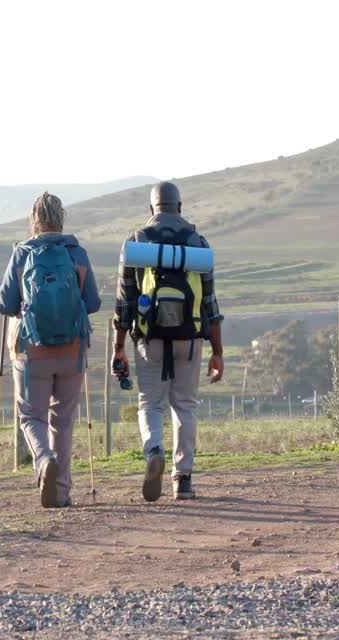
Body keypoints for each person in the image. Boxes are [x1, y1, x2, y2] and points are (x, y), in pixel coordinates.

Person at [112, 181, 224, 501]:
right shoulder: (197, 243)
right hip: (189, 338)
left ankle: (154, 452)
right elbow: (210, 305)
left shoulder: (137, 243)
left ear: (151, 210)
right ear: (180, 206)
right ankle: (183, 479)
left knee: (150, 402)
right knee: (185, 405)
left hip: (149, 337)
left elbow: (124, 303)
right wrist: (217, 352)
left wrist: (119, 347)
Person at [0, 192, 101, 508]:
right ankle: (61, 492)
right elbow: (94, 302)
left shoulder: (21, 253)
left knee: (31, 416)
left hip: (30, 352)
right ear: (61, 218)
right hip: (72, 351)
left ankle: (43, 459)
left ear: (34, 219)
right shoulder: (77, 254)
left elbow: (5, 304)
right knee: (64, 420)